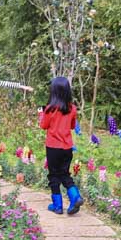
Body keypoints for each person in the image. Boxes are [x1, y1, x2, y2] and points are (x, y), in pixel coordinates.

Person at [38, 76, 83, 214]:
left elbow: (43, 125)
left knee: (53, 175)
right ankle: (75, 196)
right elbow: (72, 126)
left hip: (53, 147)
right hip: (67, 147)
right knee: (64, 174)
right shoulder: (72, 109)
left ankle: (57, 206)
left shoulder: (49, 109)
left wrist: (41, 115)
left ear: (53, 91)